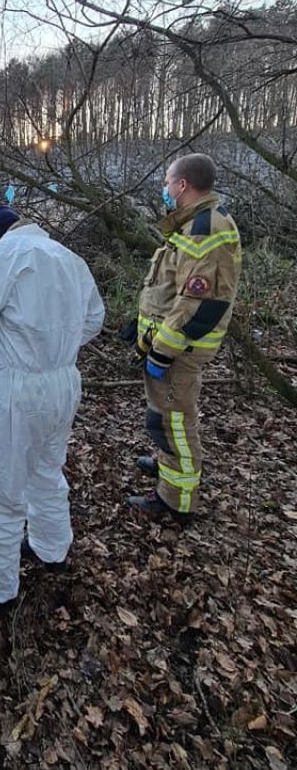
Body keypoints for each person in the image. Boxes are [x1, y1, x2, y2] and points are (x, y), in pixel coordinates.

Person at [0, 205, 105, 604]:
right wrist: (53, 349)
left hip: (15, 390)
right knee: (46, 469)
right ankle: (52, 547)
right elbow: (93, 319)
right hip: (63, 383)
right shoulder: (69, 259)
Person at [127, 153, 241, 524]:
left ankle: (177, 501)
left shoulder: (205, 230)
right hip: (171, 344)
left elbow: (197, 304)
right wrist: (141, 326)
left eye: (166, 181)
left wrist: (161, 352)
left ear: (182, 185)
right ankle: (168, 467)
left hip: (180, 350)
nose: (164, 188)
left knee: (173, 421)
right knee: (163, 417)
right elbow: (170, 289)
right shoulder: (194, 223)